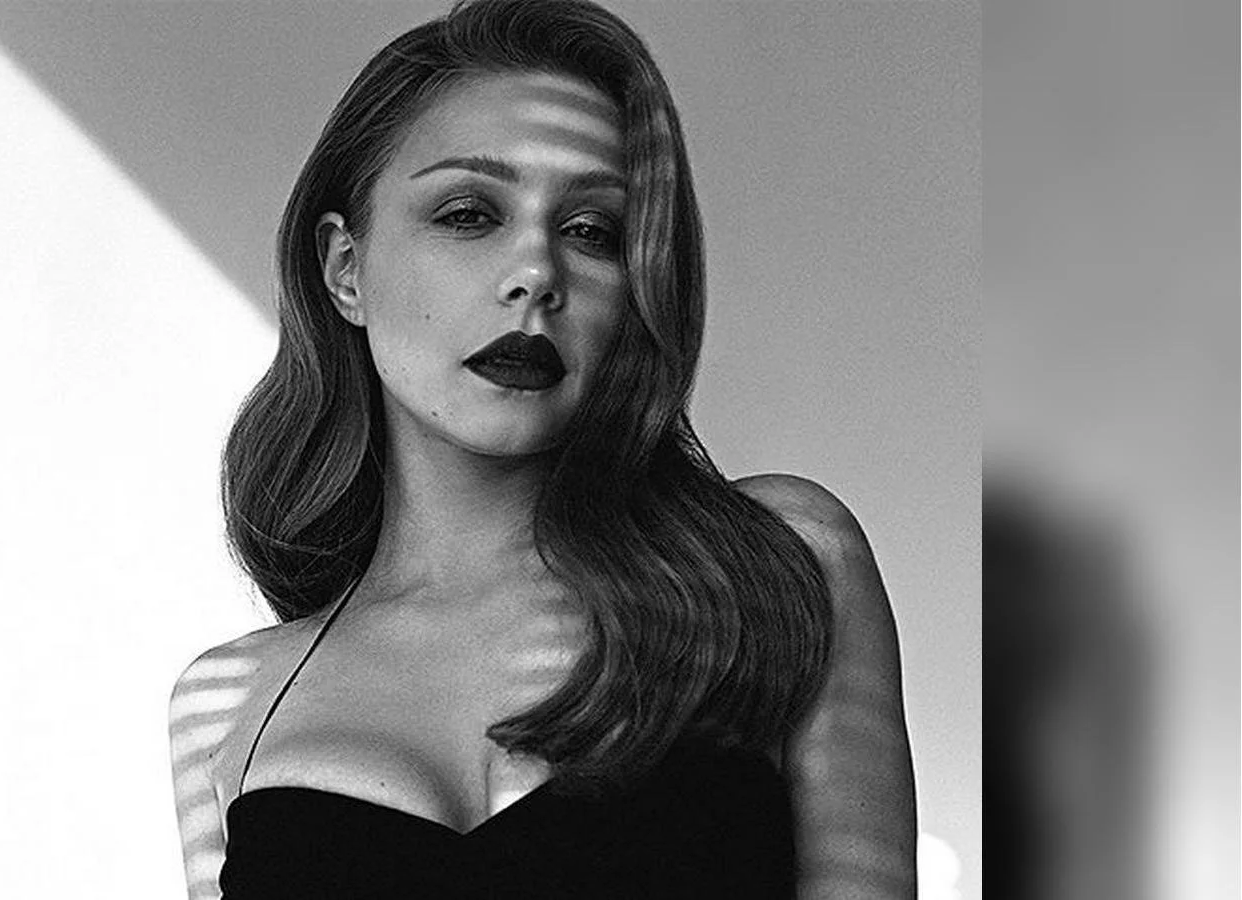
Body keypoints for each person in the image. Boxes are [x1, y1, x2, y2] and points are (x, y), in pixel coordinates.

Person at [168, 1, 916, 896]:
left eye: (592, 231)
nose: (535, 273)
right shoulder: (233, 703)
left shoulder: (776, 558)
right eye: (468, 213)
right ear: (344, 269)